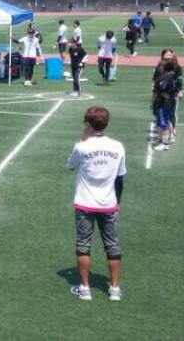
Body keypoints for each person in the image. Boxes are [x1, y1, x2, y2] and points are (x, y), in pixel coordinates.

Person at [67, 106, 126, 302]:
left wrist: (83, 140)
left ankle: (85, 289)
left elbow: (70, 165)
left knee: (83, 244)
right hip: (109, 203)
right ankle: (115, 289)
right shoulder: (118, 146)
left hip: (85, 203)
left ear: (88, 124)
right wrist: (117, 201)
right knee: (112, 245)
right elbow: (120, 178)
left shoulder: (81, 147)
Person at [152, 49, 184, 141]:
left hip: (171, 95)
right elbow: (155, 81)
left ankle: (171, 132)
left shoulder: (177, 67)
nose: (169, 57)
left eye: (170, 55)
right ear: (162, 56)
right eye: (167, 55)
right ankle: (165, 133)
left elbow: (179, 80)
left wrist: (180, 91)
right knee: (161, 114)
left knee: (171, 113)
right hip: (162, 95)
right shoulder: (159, 67)